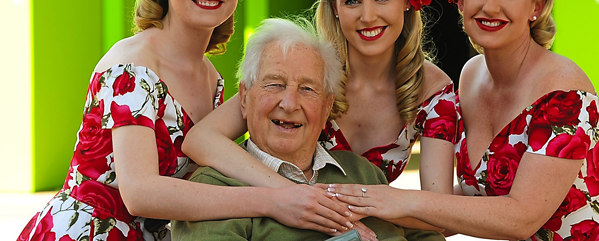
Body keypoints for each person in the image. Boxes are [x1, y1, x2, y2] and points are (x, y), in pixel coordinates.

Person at [16, 0, 349, 241]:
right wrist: (274, 201)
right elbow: (140, 193)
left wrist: (303, 196)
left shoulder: (211, 77)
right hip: (87, 233)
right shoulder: (133, 66)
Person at [322, 0, 599, 241]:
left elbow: (522, 217)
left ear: (537, 5)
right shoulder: (471, 76)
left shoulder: (564, 89)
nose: (491, 6)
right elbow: (470, 200)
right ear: (460, 0)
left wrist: (397, 200)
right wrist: (358, 208)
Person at [182, 0, 456, 226]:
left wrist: (346, 215)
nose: (367, 15)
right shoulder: (308, 68)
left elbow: (437, 214)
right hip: (272, 223)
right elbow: (200, 140)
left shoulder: (434, 91)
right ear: (335, 8)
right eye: (352, 1)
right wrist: (291, 195)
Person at [171, 18, 444, 241]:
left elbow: (428, 236)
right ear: (244, 98)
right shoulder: (214, 191)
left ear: (327, 107)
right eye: (274, 84)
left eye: (307, 89)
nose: (289, 104)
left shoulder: (363, 172)